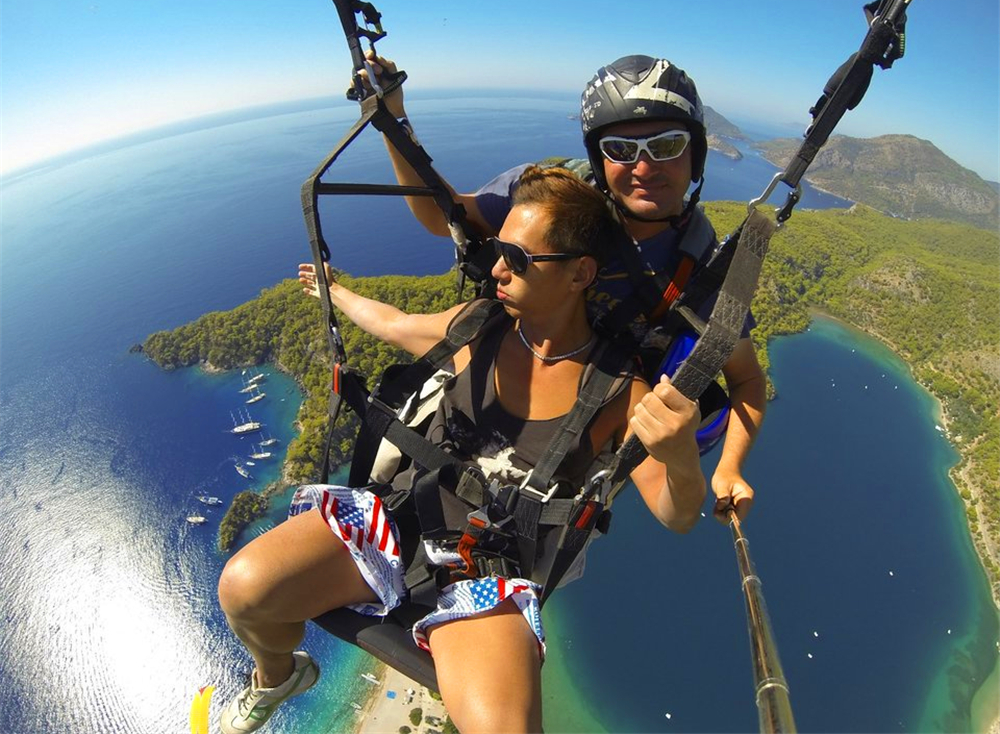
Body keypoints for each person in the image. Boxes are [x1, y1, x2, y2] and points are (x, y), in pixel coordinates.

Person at [217, 167, 706, 734]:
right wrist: (336, 289)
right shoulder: (482, 326)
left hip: (486, 571)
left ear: (580, 274)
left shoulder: (618, 391)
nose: (498, 268)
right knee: (245, 590)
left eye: (519, 260)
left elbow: (677, 514)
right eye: (500, 251)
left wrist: (679, 456)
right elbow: (397, 325)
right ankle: (277, 677)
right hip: (398, 519)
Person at [362, 52, 766, 524]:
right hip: (493, 383)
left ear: (694, 153)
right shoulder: (550, 200)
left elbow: (746, 379)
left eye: (666, 144)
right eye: (620, 149)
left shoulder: (703, 274)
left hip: (584, 429)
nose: (644, 166)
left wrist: (729, 466)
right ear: (598, 157)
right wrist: (393, 118)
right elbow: (442, 215)